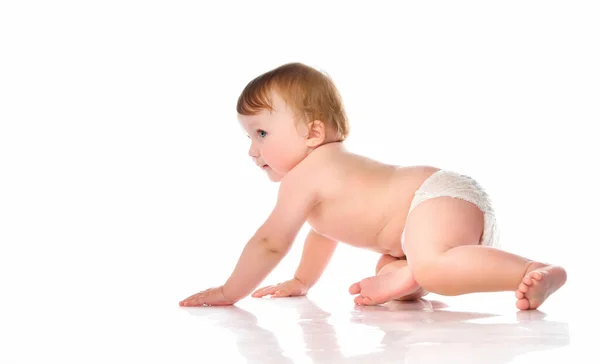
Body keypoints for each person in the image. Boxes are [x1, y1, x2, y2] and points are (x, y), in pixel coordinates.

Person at [179, 62, 567, 310]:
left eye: (261, 133)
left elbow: (270, 241)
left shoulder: (305, 175)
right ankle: (406, 275)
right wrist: (302, 280)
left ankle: (535, 270)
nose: (252, 149)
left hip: (434, 199)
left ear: (313, 132)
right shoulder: (325, 176)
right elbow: (323, 233)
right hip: (438, 216)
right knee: (397, 270)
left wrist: (229, 292)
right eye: (249, 137)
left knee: (432, 268)